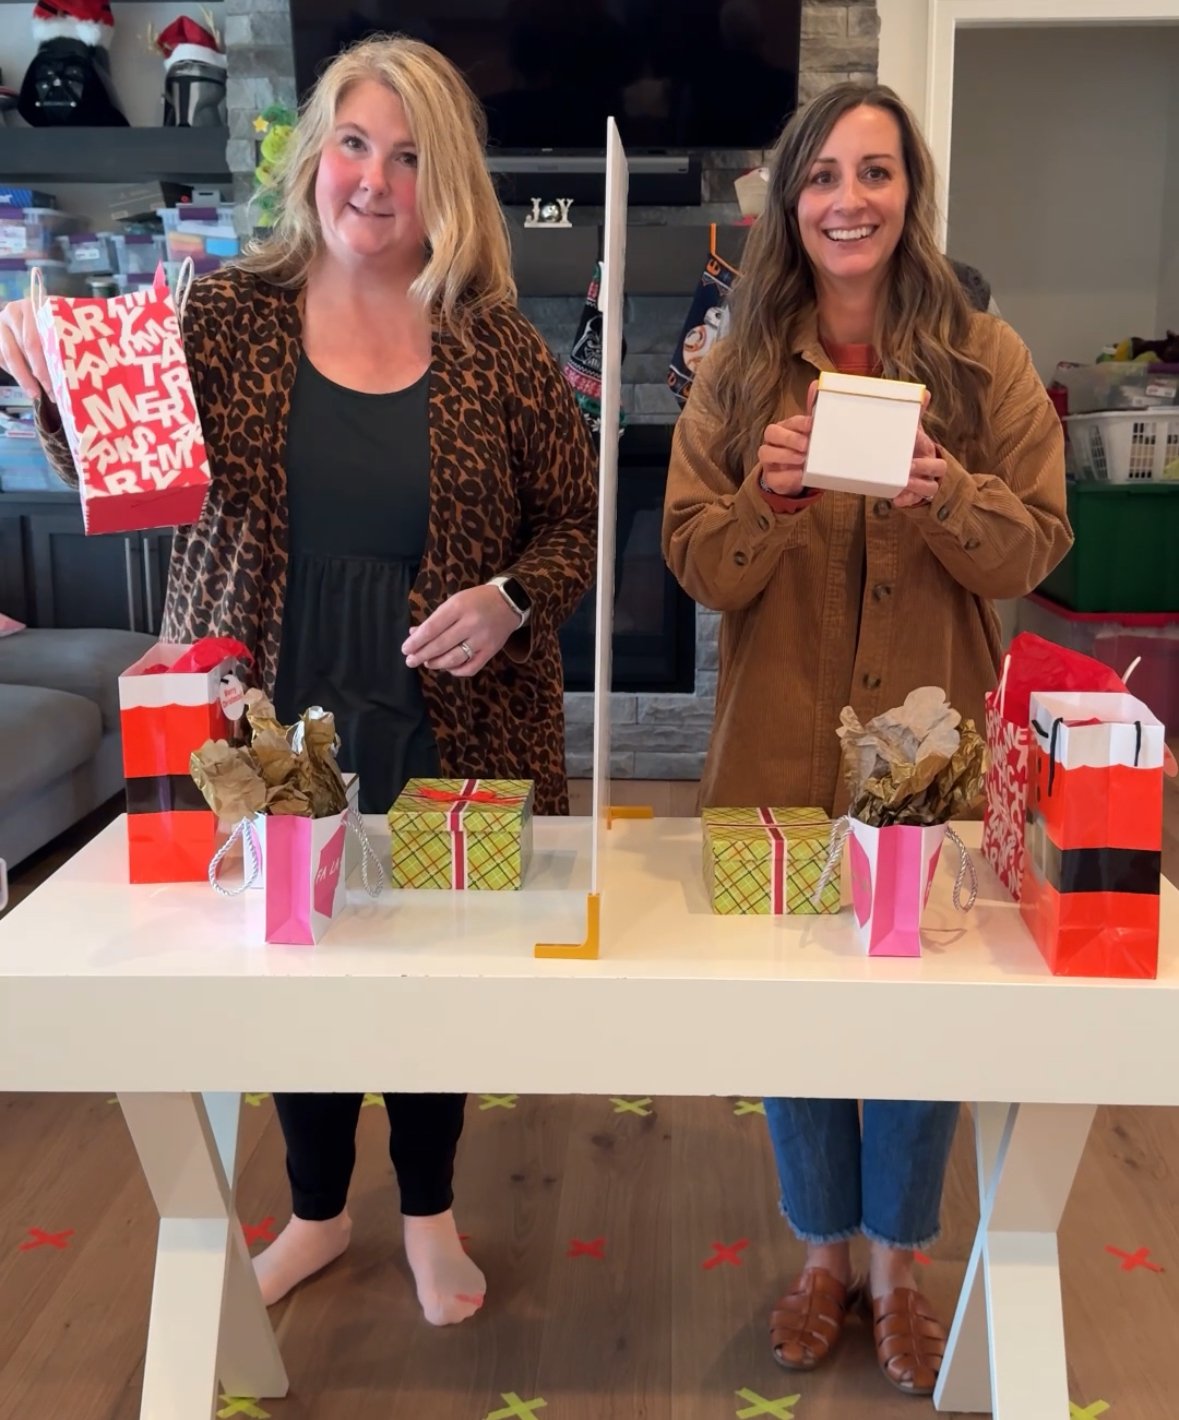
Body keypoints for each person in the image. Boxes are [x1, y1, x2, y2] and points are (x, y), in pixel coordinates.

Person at [0, 34, 597, 1326]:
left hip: (452, 706)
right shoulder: (220, 314)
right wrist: (51, 384)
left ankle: (428, 1210)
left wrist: (506, 601)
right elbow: (122, 465)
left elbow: (572, 524)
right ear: (313, 156)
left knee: (428, 967)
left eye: (410, 157)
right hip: (265, 706)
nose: (375, 181)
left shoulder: (494, 344)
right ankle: (319, 1211)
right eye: (354, 143)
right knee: (292, 962)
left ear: (451, 190)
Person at [662, 83, 1069, 1397]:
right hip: (779, 750)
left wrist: (951, 490)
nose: (850, 199)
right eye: (825, 174)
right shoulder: (738, 364)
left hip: (933, 761)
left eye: (876, 173)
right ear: (792, 198)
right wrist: (768, 501)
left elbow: (1036, 544)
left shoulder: (982, 359)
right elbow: (693, 563)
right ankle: (823, 1256)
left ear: (911, 192)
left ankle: (899, 1266)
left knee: (920, 1011)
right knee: (798, 1019)